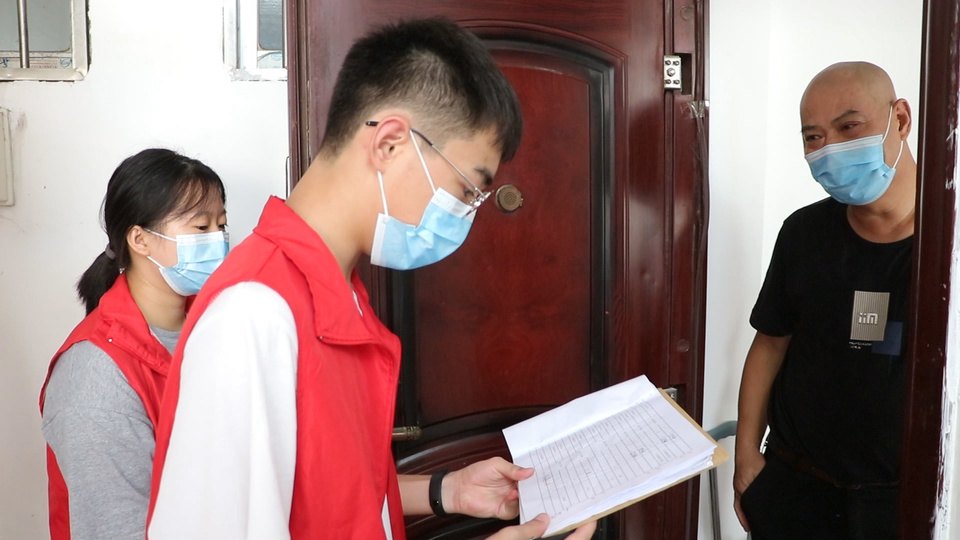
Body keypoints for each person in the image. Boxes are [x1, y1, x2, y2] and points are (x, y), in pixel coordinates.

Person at [146, 17, 595, 540]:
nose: (466, 215)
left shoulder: (339, 294)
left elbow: (333, 495)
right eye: (466, 190)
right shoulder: (254, 315)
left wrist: (446, 490)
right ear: (390, 143)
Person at [733, 61, 915, 540]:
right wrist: (746, 456)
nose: (830, 149)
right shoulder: (804, 233)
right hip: (794, 487)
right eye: (813, 137)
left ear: (900, 119)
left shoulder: (946, 246)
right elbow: (770, 344)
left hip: (898, 501)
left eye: (849, 127)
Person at [40, 148, 229, 540]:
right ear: (140, 239)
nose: (218, 240)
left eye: (222, 225)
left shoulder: (220, 326)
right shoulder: (95, 376)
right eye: (201, 227)